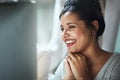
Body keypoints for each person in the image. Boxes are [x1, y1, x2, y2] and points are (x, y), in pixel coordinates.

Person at [48, 0, 120, 80]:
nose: (63, 35)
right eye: (62, 29)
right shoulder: (65, 65)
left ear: (93, 28)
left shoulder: (117, 66)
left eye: (71, 27)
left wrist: (82, 77)